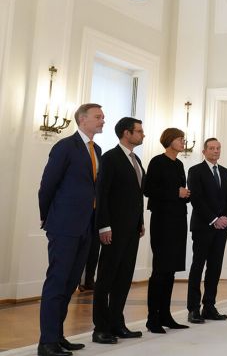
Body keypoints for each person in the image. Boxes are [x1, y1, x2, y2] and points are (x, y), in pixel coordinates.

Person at [37, 103, 104, 356]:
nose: (102, 121)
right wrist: (48, 218)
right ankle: (46, 343)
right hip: (64, 225)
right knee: (57, 281)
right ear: (82, 119)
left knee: (70, 284)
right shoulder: (65, 146)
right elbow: (47, 186)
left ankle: (58, 335)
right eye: (98, 117)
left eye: (103, 117)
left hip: (86, 226)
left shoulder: (96, 149)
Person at [92, 117, 146, 344]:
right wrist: (104, 225)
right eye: (139, 131)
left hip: (132, 229)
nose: (143, 135)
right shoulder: (110, 158)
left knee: (124, 278)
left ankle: (117, 322)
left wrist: (141, 221)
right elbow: (101, 194)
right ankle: (101, 328)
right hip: (112, 229)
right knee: (106, 278)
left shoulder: (136, 159)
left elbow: (136, 195)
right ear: (126, 133)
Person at [143, 128, 191, 333]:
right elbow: (148, 189)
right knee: (161, 270)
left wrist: (186, 194)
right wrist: (176, 192)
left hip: (178, 220)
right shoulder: (157, 162)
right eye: (180, 139)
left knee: (170, 270)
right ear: (170, 141)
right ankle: (152, 318)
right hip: (162, 221)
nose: (183, 142)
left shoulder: (179, 163)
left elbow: (181, 192)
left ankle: (166, 314)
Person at [186, 138, 227, 323]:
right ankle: (193, 309)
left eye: (218, 148)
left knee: (215, 268)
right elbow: (196, 199)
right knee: (197, 268)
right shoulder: (196, 171)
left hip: (221, 228)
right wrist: (214, 219)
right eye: (212, 148)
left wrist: (225, 219)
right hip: (203, 227)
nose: (216, 151)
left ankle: (209, 306)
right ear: (204, 151)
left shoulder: (225, 172)